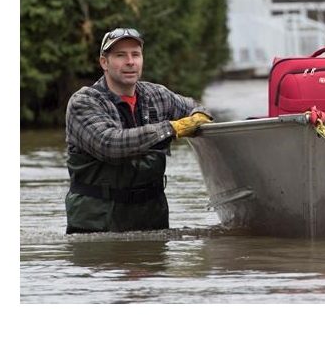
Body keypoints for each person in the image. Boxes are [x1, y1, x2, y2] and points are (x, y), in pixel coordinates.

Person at [64, 27, 214, 234]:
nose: (130, 62)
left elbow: (196, 107)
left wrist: (199, 116)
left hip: (151, 220)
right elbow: (110, 144)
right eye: (120, 55)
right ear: (104, 62)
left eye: (135, 54)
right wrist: (171, 128)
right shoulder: (84, 102)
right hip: (96, 224)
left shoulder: (157, 95)